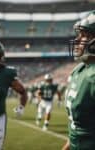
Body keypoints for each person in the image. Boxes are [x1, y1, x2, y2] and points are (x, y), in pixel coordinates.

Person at [62, 10, 95, 150]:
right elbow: (77, 129)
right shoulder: (79, 70)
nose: (77, 40)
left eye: (85, 35)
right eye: (79, 34)